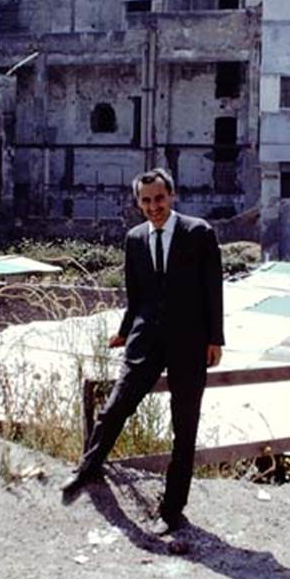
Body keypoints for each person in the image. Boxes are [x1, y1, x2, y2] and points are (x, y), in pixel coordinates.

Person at [60, 167, 224, 535]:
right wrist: (124, 332)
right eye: (146, 201)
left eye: (159, 198)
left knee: (185, 425)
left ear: (172, 196)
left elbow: (213, 289)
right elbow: (136, 295)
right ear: (138, 203)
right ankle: (87, 470)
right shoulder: (135, 238)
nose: (154, 206)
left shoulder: (198, 232)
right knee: (116, 406)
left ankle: (172, 510)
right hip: (145, 340)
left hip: (189, 343)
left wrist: (215, 339)